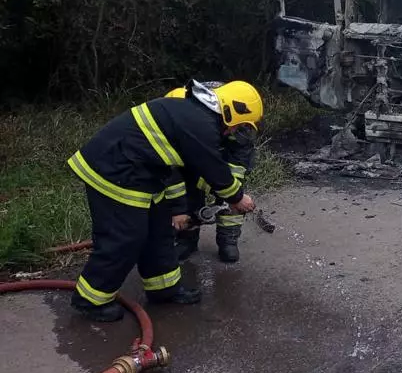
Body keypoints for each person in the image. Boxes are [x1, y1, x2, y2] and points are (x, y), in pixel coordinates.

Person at [68, 80, 263, 322]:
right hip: (114, 171)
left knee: (158, 231)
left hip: (142, 175)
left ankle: (164, 289)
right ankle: (90, 300)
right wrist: (237, 198)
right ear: (232, 110)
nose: (235, 132)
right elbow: (213, 168)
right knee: (126, 237)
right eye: (239, 126)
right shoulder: (200, 124)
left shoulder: (197, 116)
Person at [165, 85, 255, 264]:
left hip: (219, 159)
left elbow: (238, 161)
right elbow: (171, 176)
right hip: (186, 163)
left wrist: (234, 195)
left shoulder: (235, 120)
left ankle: (228, 240)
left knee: (234, 189)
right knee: (187, 193)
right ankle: (186, 240)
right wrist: (179, 210)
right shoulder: (177, 128)